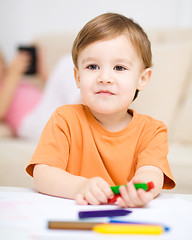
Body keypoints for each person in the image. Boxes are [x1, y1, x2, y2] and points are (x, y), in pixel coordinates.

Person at [26, 13, 175, 208]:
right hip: (73, 216)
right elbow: (43, 174)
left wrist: (139, 191)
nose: (105, 77)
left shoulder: (152, 130)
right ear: (77, 77)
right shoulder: (64, 119)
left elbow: (151, 173)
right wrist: (80, 186)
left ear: (142, 79)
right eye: (93, 66)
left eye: (119, 67)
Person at [0, 47, 47, 136]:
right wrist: (13, 73)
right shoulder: (11, 79)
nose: (2, 66)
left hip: (48, 108)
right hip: (32, 120)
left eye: (2, 61)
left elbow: (52, 91)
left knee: (66, 63)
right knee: (65, 63)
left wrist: (42, 70)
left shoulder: (20, 80)